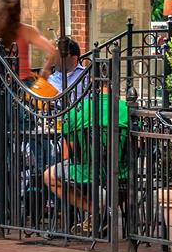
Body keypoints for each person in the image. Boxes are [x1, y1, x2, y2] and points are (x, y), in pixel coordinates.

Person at [41, 86, 130, 227]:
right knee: (123, 184)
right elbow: (136, 147)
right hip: (120, 170)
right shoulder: (128, 109)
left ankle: (96, 211)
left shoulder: (76, 110)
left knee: (48, 176)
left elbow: (66, 154)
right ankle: (107, 213)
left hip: (84, 170)